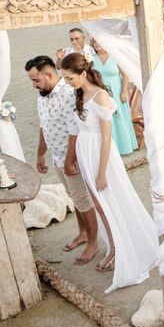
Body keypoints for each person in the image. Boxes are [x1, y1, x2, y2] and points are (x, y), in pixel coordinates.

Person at [60, 53, 158, 293]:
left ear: (83, 74)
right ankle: (114, 247)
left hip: (100, 156)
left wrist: (102, 172)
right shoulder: (79, 94)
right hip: (85, 152)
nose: (67, 82)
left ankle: (120, 250)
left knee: (109, 204)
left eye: (69, 78)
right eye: (64, 78)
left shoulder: (100, 96)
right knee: (99, 205)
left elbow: (106, 137)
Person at [25, 55, 98, 265]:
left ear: (49, 74)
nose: (33, 85)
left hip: (72, 157)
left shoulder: (67, 93)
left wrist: (69, 161)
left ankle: (93, 242)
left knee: (82, 199)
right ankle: (82, 232)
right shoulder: (42, 95)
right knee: (72, 197)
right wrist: (40, 154)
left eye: (36, 80)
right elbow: (43, 126)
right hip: (57, 157)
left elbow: (74, 130)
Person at [90, 39, 138, 155]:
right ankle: (111, 148)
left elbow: (125, 75)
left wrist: (123, 92)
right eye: (94, 42)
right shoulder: (92, 59)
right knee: (107, 118)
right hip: (102, 94)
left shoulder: (115, 56)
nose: (97, 44)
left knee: (119, 117)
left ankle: (125, 146)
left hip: (116, 92)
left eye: (98, 41)